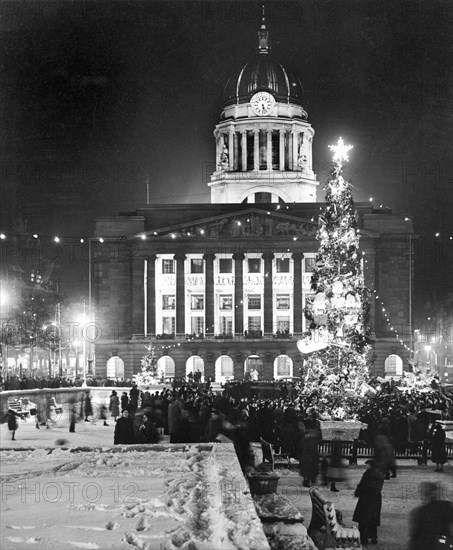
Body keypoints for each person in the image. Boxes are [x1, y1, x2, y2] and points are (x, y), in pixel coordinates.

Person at [408, 481, 453, 550]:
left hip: (426, 544)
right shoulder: (446, 506)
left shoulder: (420, 511)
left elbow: (415, 535)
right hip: (443, 543)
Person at [353, 458, 384, 546]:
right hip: (376, 499)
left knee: (363, 520)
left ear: (370, 465)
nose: (366, 466)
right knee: (373, 519)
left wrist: (357, 492)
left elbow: (363, 485)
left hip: (366, 499)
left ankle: (364, 539)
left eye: (367, 464)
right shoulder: (379, 474)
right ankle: (374, 538)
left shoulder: (368, 474)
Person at [300, 407, 321, 487]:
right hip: (309, 446)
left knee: (310, 462)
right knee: (308, 462)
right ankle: (308, 478)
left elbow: (316, 433)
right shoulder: (314, 423)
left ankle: (310, 478)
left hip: (310, 445)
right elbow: (317, 433)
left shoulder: (313, 423)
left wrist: (308, 434)